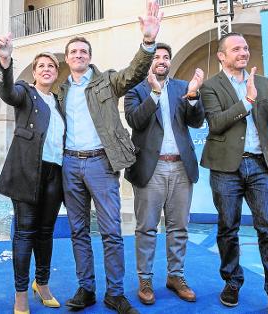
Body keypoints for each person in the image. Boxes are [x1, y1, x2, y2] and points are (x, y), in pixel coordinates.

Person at [58, 2, 163, 313]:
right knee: (78, 230)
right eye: (73, 52)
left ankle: (115, 293)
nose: (78, 55)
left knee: (111, 231)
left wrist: (147, 42)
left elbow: (134, 74)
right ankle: (86, 288)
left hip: (101, 164)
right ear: (67, 58)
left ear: (90, 57)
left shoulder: (107, 80)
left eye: (83, 52)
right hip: (70, 164)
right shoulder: (60, 91)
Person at [199, 32, 268, 314]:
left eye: (245, 48)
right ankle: (232, 280)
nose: (243, 52)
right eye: (236, 49)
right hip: (225, 169)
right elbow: (216, 123)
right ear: (221, 56)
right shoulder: (211, 87)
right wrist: (247, 102)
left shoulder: (265, 83)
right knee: (227, 228)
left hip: (260, 166)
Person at [124, 43, 205, 305]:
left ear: (170, 62)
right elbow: (135, 121)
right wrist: (155, 95)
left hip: (181, 166)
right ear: (150, 62)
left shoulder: (183, 88)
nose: (161, 60)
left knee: (179, 227)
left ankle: (175, 276)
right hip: (151, 168)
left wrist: (193, 97)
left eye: (166, 57)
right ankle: (145, 280)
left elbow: (196, 121)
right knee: (146, 228)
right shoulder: (136, 91)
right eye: (157, 56)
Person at [0, 33, 64, 314]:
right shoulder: (25, 92)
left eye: (51, 66)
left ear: (57, 73)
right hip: (26, 172)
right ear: (34, 73)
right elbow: (7, 92)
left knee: (46, 233)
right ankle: (21, 293)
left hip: (55, 174)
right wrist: (5, 60)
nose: (47, 69)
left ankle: (42, 283)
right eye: (41, 66)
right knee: (24, 234)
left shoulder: (59, 103)